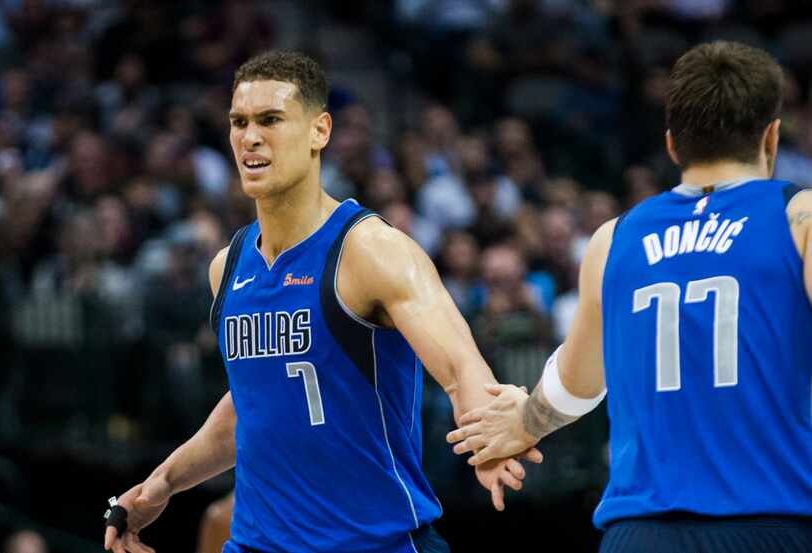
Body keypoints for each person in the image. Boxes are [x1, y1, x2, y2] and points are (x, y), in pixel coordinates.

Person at [103, 50, 539, 553]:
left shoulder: (369, 249)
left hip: (375, 544)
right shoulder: (227, 266)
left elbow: (462, 368)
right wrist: (162, 483)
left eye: (270, 120)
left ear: (320, 131)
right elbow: (253, 404)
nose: (250, 137)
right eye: (239, 122)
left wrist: (490, 428)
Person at [446, 40, 812, 552]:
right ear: (771, 137)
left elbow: (578, 384)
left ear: (671, 145)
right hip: (772, 522)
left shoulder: (614, 238)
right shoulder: (800, 218)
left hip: (642, 533)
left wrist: (524, 421)